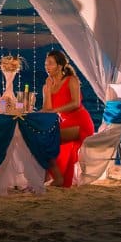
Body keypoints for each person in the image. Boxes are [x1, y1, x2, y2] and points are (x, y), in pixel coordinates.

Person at [41, 49, 95, 187]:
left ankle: (56, 178)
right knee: (40, 137)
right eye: (46, 64)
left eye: (50, 63)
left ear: (59, 66)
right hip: (64, 123)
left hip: (80, 123)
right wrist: (48, 90)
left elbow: (75, 103)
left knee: (47, 139)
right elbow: (47, 110)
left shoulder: (71, 80)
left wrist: (54, 111)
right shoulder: (47, 85)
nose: (47, 66)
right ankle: (46, 177)